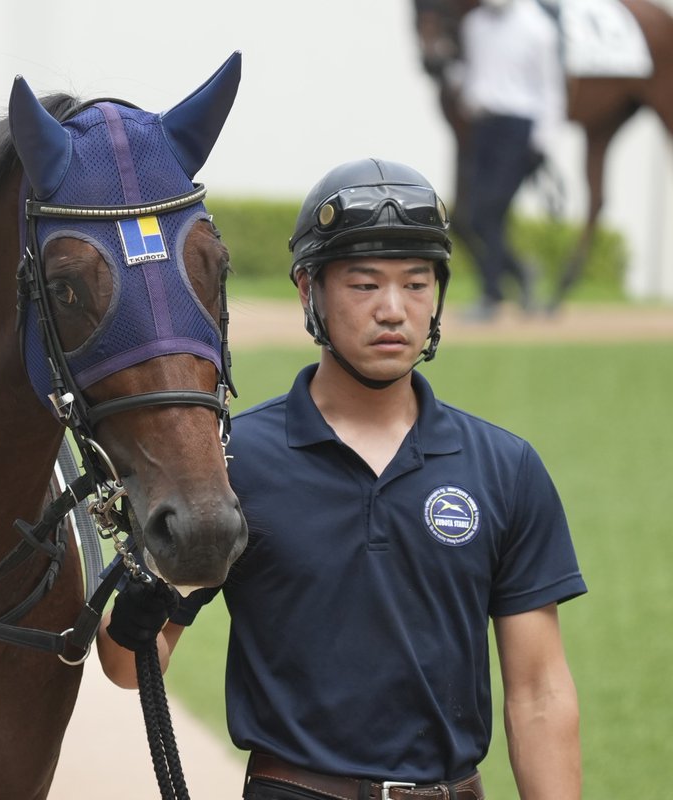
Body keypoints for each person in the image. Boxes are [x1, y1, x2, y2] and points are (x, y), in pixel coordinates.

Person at [97, 159, 586, 799]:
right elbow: (131, 666)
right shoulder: (230, 461)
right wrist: (137, 606)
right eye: (363, 285)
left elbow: (540, 692)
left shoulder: (504, 466)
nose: (393, 310)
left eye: (416, 284)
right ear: (309, 292)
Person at [458, 0, 565, 320]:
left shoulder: (538, 26)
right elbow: (475, 73)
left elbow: (551, 87)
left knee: (490, 210)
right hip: (483, 126)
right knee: (477, 215)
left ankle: (493, 294)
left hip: (519, 129)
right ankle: (520, 273)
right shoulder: (474, 24)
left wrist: (544, 140)